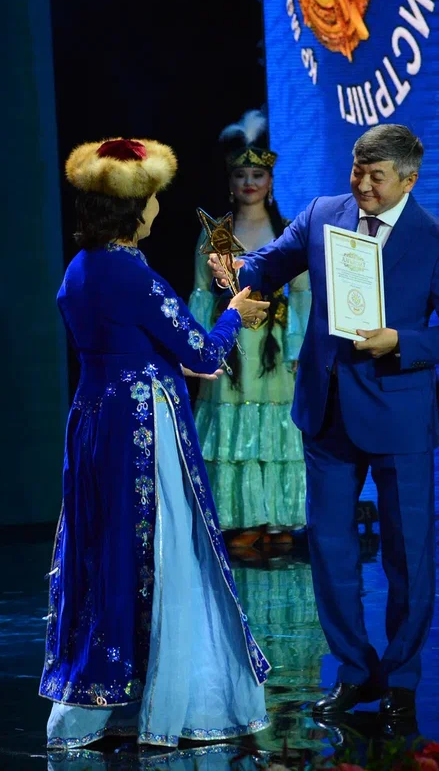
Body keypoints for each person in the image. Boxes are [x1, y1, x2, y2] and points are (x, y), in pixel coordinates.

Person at [209, 124, 439, 718]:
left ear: (408, 181)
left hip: (399, 415)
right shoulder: (321, 214)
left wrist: (402, 341)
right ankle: (355, 672)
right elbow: (268, 264)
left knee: (408, 555)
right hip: (328, 409)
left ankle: (402, 679)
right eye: (358, 170)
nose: (362, 184)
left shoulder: (437, 241)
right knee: (331, 550)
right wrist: (235, 268)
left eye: (376, 176)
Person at [39, 136, 271, 751]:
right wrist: (235, 312)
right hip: (140, 425)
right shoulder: (131, 274)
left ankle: (102, 694)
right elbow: (203, 351)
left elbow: (126, 343)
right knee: (163, 552)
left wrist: (176, 356)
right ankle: (174, 700)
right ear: (134, 207)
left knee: (105, 548)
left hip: (94, 417)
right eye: (154, 199)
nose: (159, 209)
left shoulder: (80, 268)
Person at [189, 111, 310, 552]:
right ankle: (238, 518)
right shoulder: (215, 235)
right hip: (232, 343)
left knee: (276, 427)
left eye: (257, 175)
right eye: (241, 175)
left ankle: (278, 519)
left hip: (275, 347)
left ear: (270, 181)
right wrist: (199, 349)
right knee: (231, 427)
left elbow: (302, 293)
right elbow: (201, 294)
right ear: (230, 182)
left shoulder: (288, 231)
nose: (249, 183)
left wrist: (298, 349)